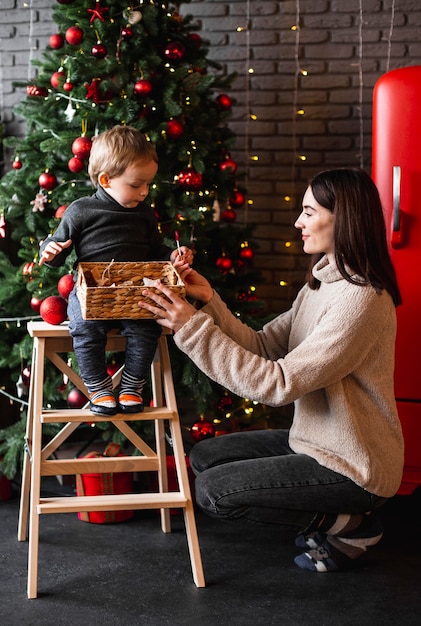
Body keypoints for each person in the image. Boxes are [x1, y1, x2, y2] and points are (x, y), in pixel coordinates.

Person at [137, 167, 404, 573]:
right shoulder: (321, 283)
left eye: (309, 212)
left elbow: (277, 384)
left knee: (213, 493)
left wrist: (190, 326)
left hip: (353, 464)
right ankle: (337, 522)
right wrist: (208, 300)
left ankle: (349, 524)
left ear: (344, 217)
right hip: (314, 441)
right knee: (206, 456)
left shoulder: (361, 300)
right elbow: (263, 346)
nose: (298, 222)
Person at [39, 125, 193, 416]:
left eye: (148, 184)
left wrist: (172, 255)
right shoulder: (80, 210)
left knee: (146, 328)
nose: (145, 192)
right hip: (91, 293)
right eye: (136, 185)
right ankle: (98, 387)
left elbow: (153, 251)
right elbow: (58, 246)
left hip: (134, 290)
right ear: (106, 180)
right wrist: (51, 252)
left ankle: (132, 385)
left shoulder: (144, 213)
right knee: (84, 328)